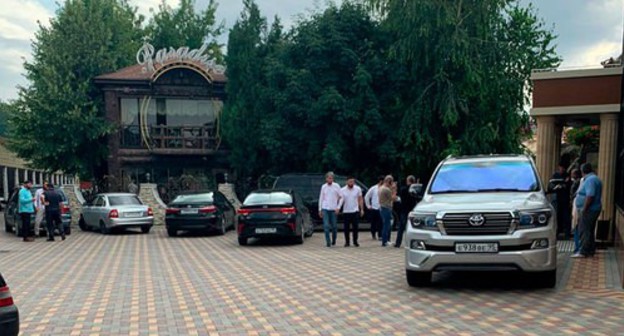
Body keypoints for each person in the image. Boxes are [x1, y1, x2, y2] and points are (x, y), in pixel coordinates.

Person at [572, 163, 602, 258]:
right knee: (589, 230)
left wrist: (584, 209)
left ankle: (583, 251)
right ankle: (590, 250)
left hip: (589, 209)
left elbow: (590, 195)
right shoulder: (594, 178)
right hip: (593, 208)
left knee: (584, 230)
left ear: (582, 171)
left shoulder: (590, 180)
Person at [318, 172, 342, 247]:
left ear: (333, 179)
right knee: (326, 226)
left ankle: (334, 239)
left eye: (331, 178)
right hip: (325, 208)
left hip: (333, 208)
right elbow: (321, 198)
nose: (329, 179)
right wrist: (320, 209)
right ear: (326, 179)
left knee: (334, 226)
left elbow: (341, 197)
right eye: (328, 178)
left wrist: (338, 207)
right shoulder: (323, 187)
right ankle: (328, 241)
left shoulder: (336, 186)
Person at [340, 176, 364, 247]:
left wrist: (361, 209)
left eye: (353, 182)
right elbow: (340, 201)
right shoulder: (342, 190)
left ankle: (355, 241)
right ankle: (347, 242)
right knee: (346, 228)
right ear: (347, 182)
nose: (351, 183)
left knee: (355, 227)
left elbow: (360, 199)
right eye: (350, 181)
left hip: (355, 210)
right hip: (346, 211)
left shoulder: (357, 189)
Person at [395, 175, 418, 248]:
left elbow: (401, 197)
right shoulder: (415, 190)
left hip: (404, 210)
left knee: (401, 228)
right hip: (412, 210)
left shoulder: (403, 189)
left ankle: (398, 243)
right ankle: (410, 243)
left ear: (408, 181)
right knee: (410, 227)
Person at [550, 164, 572, 239]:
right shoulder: (555, 176)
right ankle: (556, 232)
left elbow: (568, 185)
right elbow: (550, 186)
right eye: (561, 168)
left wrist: (563, 185)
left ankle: (567, 233)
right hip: (556, 199)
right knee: (556, 216)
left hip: (564, 199)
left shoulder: (567, 175)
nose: (562, 169)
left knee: (566, 217)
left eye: (563, 168)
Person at [378, 175, 396, 247]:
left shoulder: (381, 188)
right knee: (386, 225)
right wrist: (394, 190)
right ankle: (385, 241)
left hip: (382, 207)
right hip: (386, 208)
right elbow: (393, 198)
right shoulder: (386, 189)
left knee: (385, 224)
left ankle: (385, 240)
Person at [364, 176, 384, 240]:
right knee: (373, 223)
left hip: (381, 208)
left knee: (381, 222)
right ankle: (373, 234)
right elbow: (367, 196)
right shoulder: (373, 188)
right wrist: (368, 205)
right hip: (374, 208)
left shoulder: (385, 188)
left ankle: (380, 235)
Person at [570, 169, 582, 254]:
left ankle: (578, 248)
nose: (571, 175)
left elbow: (573, 193)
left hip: (577, 206)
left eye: (572, 174)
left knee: (576, 227)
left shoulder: (577, 182)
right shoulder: (579, 182)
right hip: (576, 205)